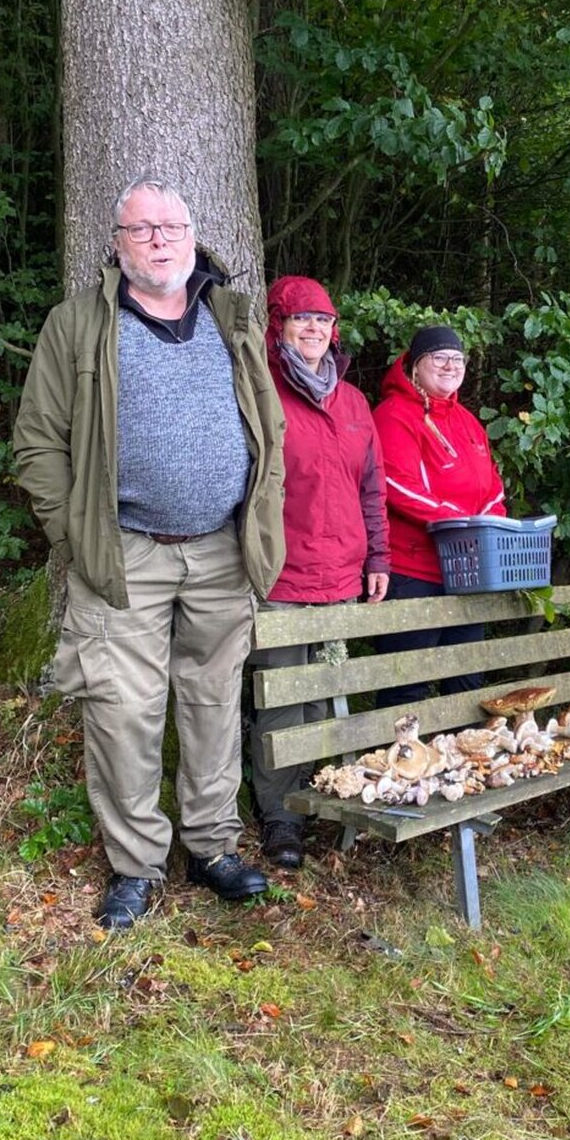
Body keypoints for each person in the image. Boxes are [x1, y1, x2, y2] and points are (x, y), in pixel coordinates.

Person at [13, 176, 286, 930]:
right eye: (142, 229)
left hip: (223, 551)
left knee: (211, 703)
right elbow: (38, 443)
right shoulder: (78, 325)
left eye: (172, 226)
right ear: (117, 243)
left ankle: (211, 846)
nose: (160, 239)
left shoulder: (230, 316)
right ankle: (136, 865)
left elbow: (270, 429)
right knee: (123, 711)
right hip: (123, 552)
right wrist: (75, 535)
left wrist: (260, 521)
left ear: (193, 234)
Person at [249, 276, 390, 869]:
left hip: (340, 577)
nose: (314, 329)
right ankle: (279, 817)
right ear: (279, 325)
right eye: (301, 319)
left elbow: (371, 486)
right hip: (282, 575)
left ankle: (311, 801)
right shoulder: (262, 390)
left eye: (324, 321)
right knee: (281, 703)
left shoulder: (353, 401)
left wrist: (378, 557)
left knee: (321, 697)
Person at [372, 324, 506, 707]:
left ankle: (462, 765)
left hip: (467, 572)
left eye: (458, 358)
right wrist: (463, 521)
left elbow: (494, 488)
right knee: (407, 688)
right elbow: (399, 487)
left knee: (465, 684)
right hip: (414, 572)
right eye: (439, 357)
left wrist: (488, 519)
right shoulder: (394, 415)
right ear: (416, 365)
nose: (451, 366)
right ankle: (399, 766)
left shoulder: (466, 421)